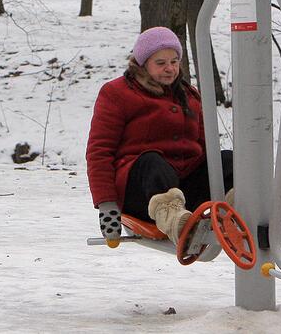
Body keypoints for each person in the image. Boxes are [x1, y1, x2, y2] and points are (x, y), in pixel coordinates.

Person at [86, 27, 234, 246]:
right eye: (161, 63)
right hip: (142, 191)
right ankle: (172, 218)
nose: (170, 69)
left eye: (174, 62)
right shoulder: (118, 93)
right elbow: (100, 151)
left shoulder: (189, 95)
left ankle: (240, 207)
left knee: (226, 160)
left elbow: (204, 149)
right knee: (152, 162)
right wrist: (107, 205)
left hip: (184, 188)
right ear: (143, 63)